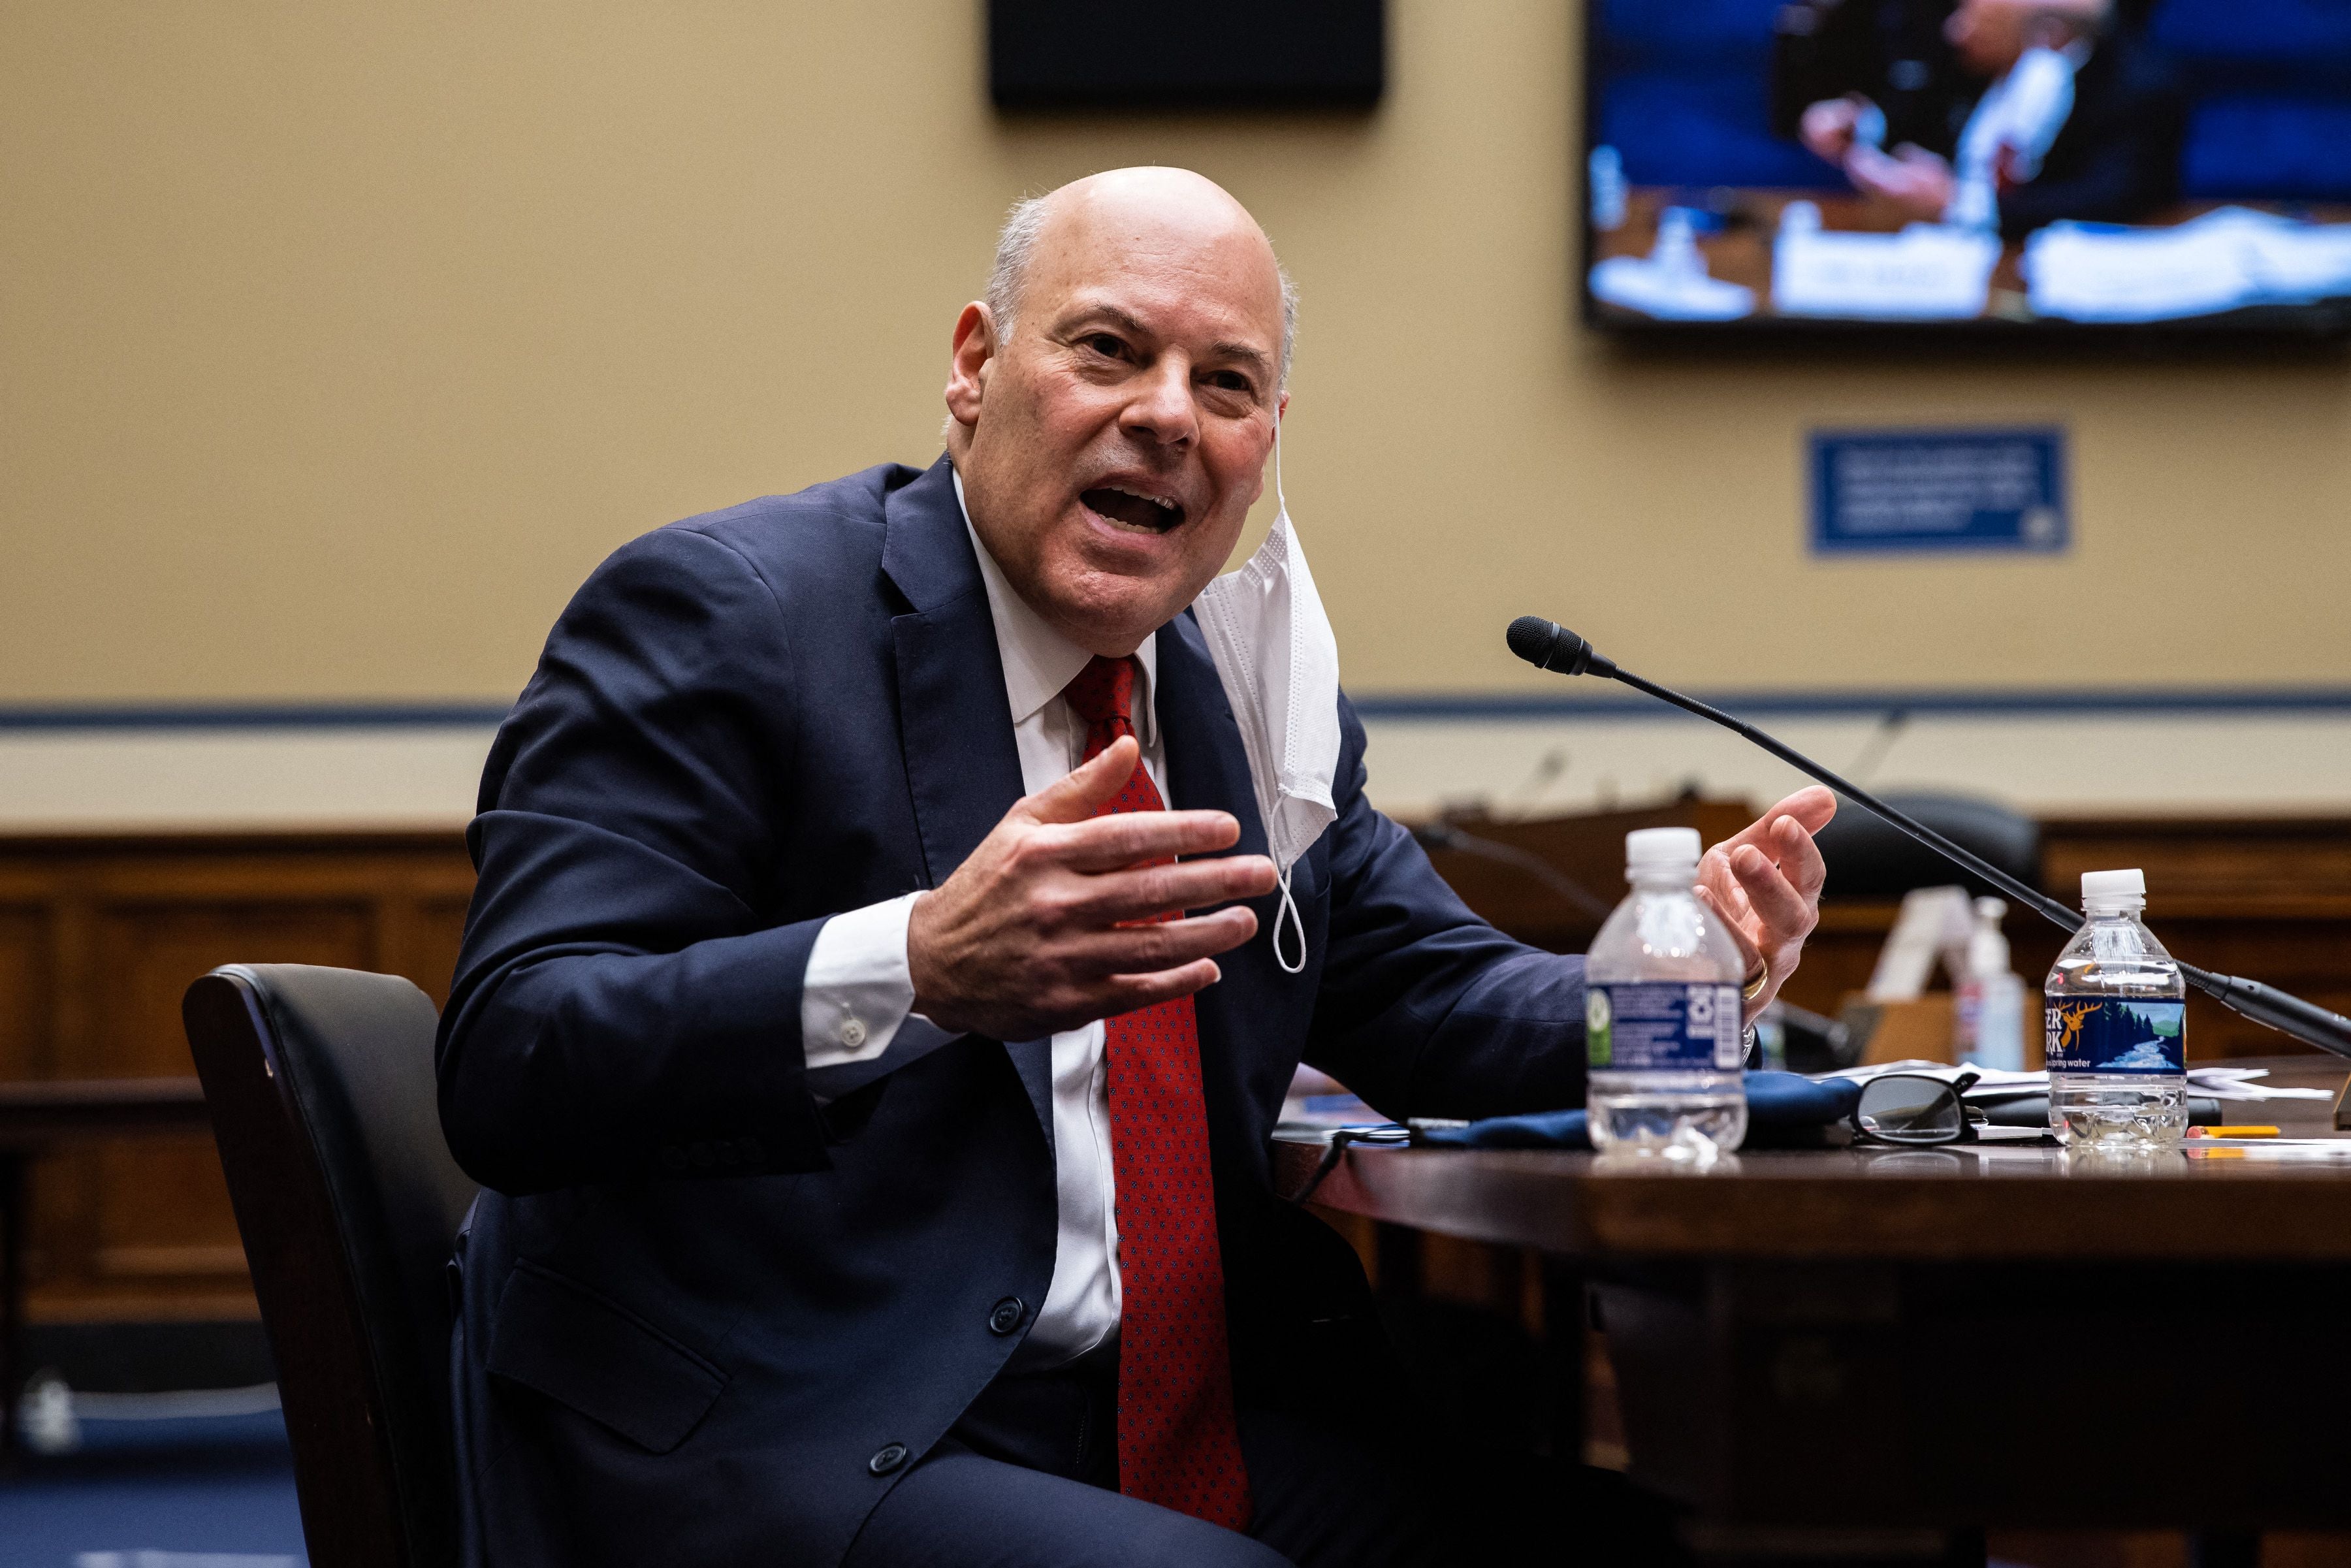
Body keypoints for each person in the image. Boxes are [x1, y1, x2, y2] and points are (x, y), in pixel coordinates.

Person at [437, 167, 1834, 1568]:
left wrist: (1689, 970)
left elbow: (1442, 1005)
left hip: (1159, 1419)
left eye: (1226, 384)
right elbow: (517, 1052)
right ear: (976, 366)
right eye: (1108, 349)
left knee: (1676, 1551)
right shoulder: (727, 614)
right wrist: (917, 967)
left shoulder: (1242, 699)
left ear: (1265, 440)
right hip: (786, 1430)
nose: (1168, 413)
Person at [1799, 0, 2186, 238]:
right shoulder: (1977, 64)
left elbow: (2110, 197)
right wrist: (1860, 125)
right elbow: (1919, 118)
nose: (1955, 30)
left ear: (2048, 35)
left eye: (1973, 16)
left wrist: (1958, 205)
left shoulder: (2137, 87)